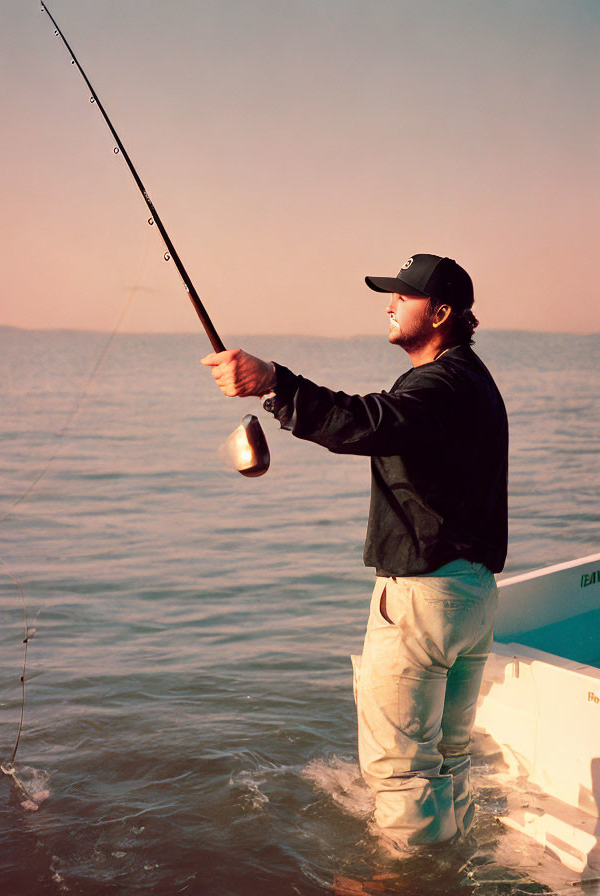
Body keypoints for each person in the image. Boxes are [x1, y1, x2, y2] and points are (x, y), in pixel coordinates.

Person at [200, 253, 508, 849]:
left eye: (403, 296)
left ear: (441, 313)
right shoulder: (471, 380)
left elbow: (372, 421)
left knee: (401, 774)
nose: (389, 304)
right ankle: (448, 870)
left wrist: (274, 382)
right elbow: (383, 425)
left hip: (424, 598)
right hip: (472, 597)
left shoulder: (440, 385)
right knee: (448, 761)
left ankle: (406, 883)